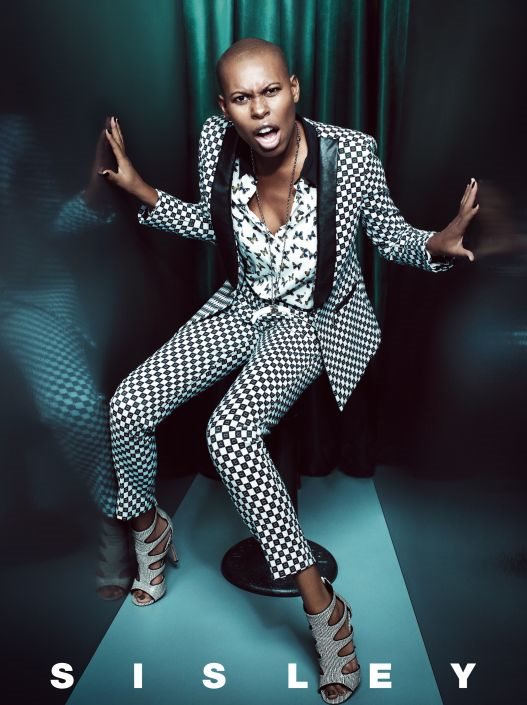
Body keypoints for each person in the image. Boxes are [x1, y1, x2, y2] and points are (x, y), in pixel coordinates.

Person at [101, 38, 478, 704]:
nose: (260, 110)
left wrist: (434, 245)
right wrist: (144, 192)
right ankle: (147, 529)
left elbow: (389, 235)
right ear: (225, 107)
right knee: (128, 405)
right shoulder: (216, 143)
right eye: (242, 98)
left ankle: (323, 608)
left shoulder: (350, 154)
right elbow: (216, 225)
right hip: (241, 307)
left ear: (294, 89)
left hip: (312, 321)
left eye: (271, 91)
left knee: (229, 433)